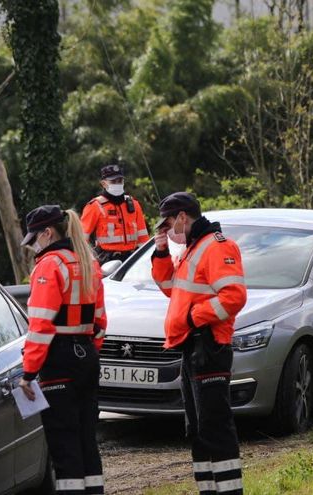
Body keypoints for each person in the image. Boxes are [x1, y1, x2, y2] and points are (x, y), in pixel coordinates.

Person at [151, 192, 247, 495]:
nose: (166, 229)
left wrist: (194, 318)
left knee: (215, 427)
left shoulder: (217, 246)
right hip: (191, 349)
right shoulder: (191, 249)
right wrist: (161, 250)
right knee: (198, 430)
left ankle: (229, 491)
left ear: (182, 217)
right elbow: (171, 289)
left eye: (168, 224)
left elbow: (234, 296)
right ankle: (209, 489)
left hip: (209, 346)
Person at [18, 205, 107, 495]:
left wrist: (29, 373)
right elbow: (100, 322)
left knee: (64, 444)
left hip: (59, 361)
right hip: (86, 356)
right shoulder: (88, 262)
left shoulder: (49, 266)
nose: (33, 247)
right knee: (86, 441)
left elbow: (40, 326)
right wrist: (86, 350)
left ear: (47, 232)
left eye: (34, 239)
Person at [80, 163, 150, 264]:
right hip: (106, 261)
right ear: (103, 184)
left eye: (120, 181)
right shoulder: (95, 206)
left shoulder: (134, 205)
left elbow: (143, 239)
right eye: (113, 181)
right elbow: (82, 240)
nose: (117, 184)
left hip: (132, 260)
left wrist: (145, 261)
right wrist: (92, 261)